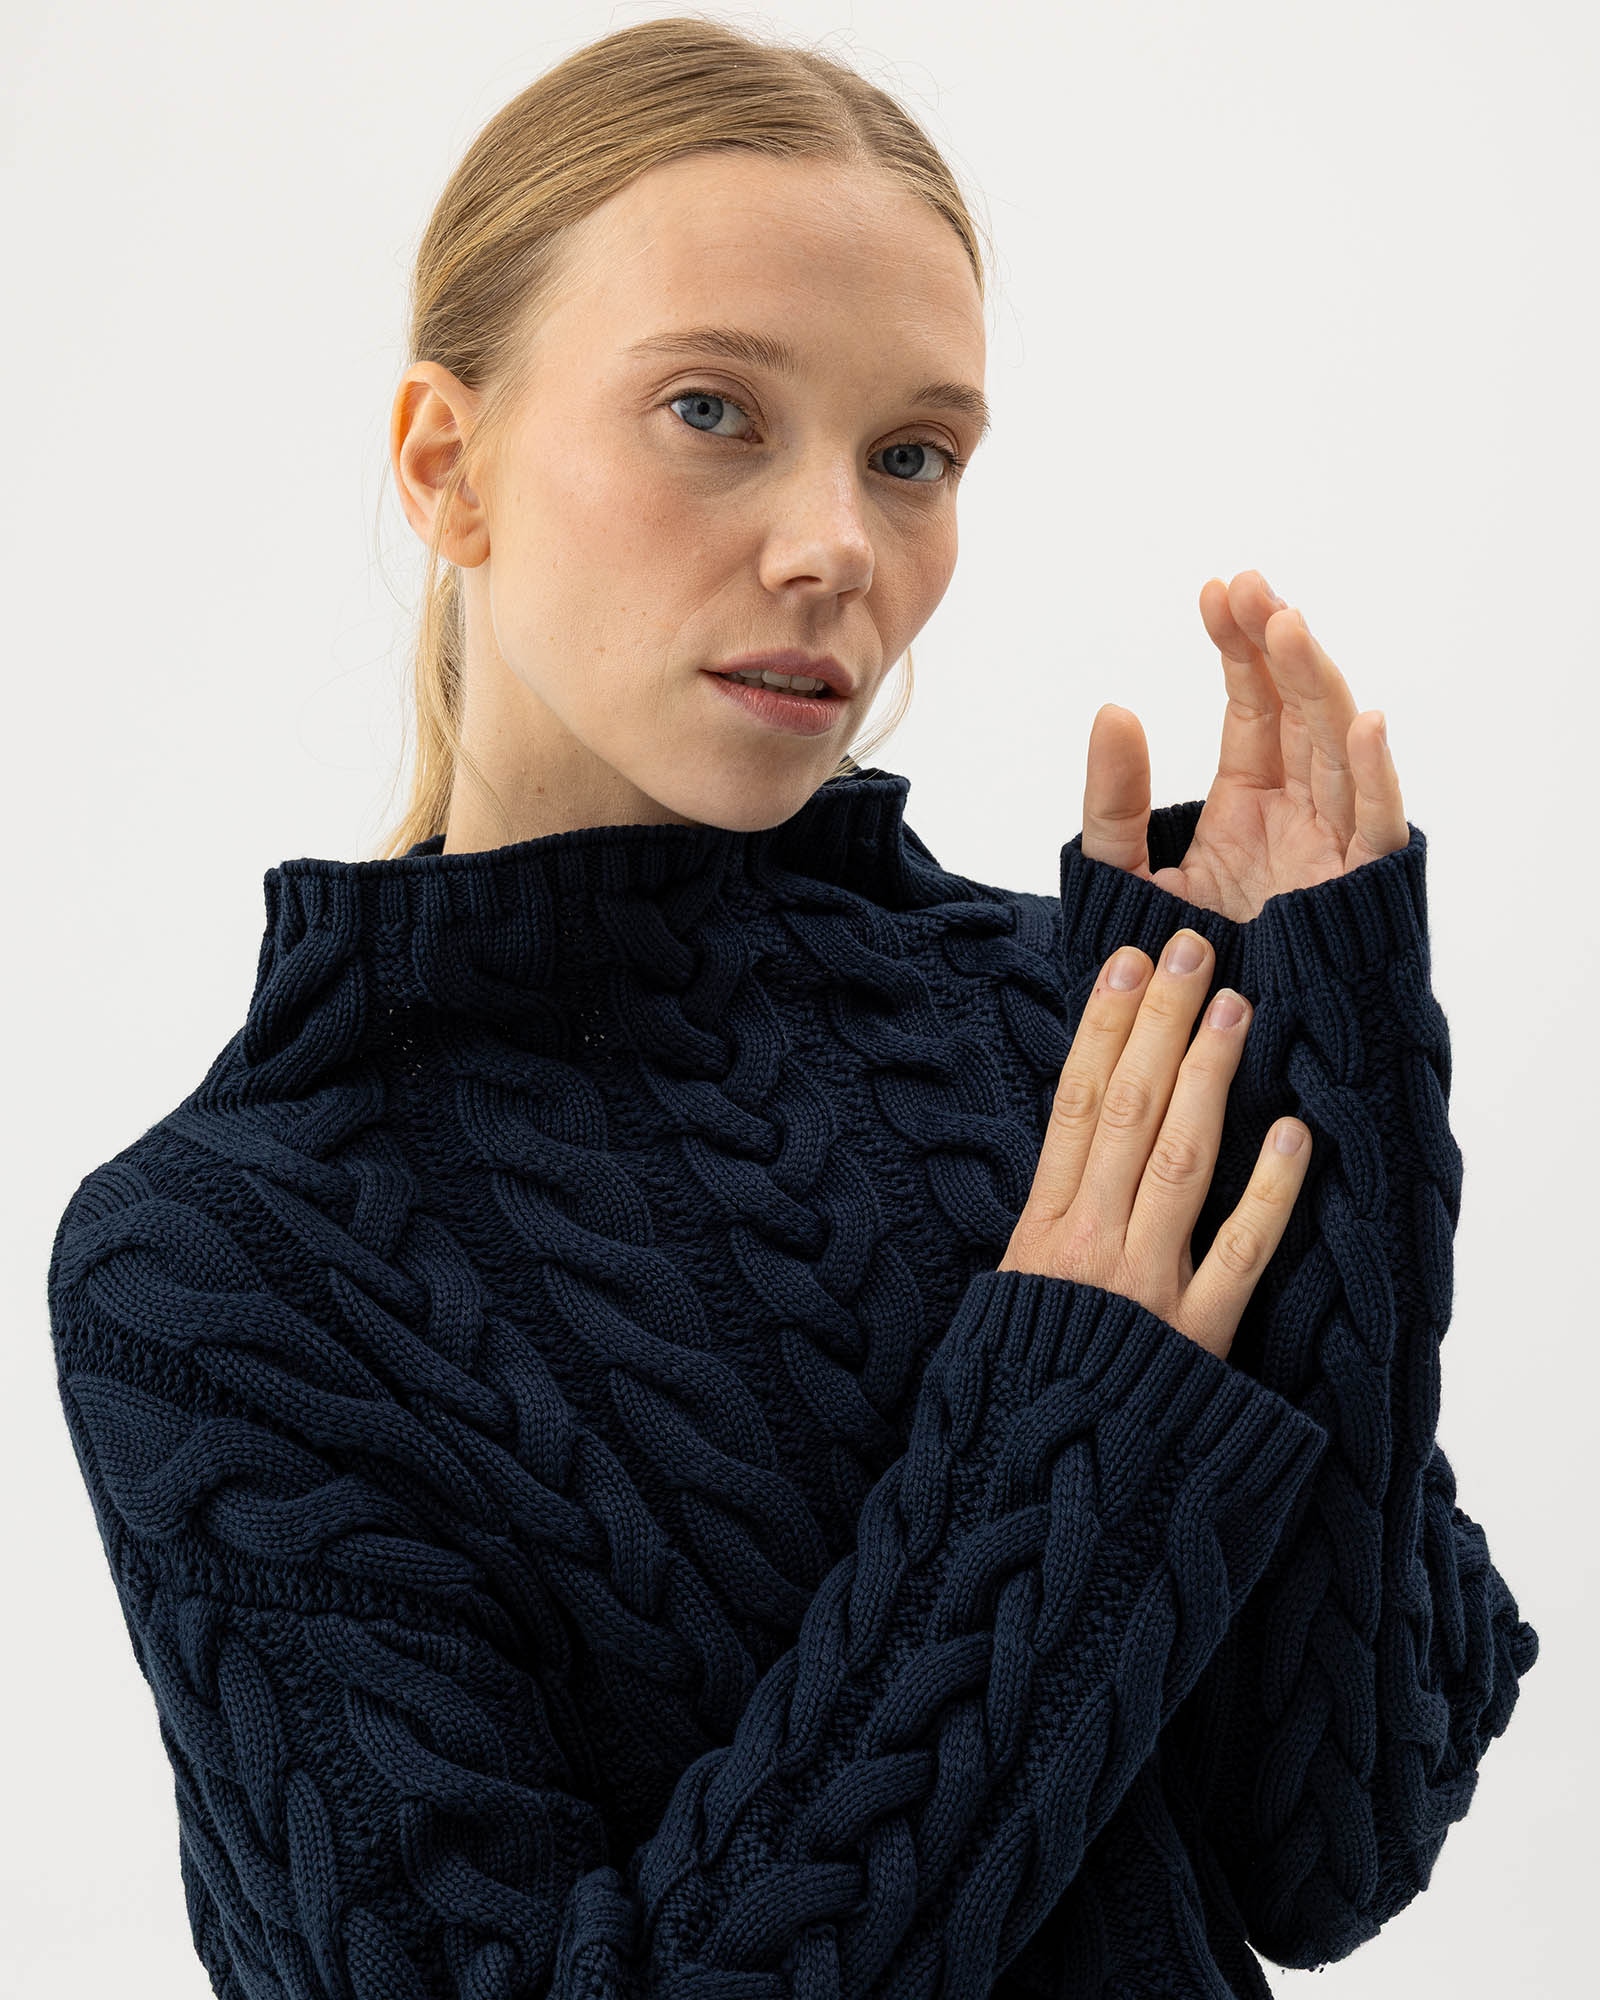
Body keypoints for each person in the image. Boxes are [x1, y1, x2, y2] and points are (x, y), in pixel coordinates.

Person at [45, 18, 1537, 2000]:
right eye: (712, 411)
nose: (840, 544)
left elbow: (1333, 1840)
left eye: (912, 455)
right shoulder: (220, 1263)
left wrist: (1319, 1076)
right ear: (447, 463)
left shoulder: (1049, 1028)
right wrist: (1070, 1431)